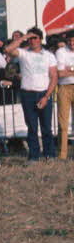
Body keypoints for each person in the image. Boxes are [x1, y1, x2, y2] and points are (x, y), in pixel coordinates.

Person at [5, 28, 58, 161]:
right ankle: (34, 155)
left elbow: (54, 77)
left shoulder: (49, 55)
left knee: (46, 127)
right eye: (31, 38)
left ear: (40, 39)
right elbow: (8, 50)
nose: (33, 41)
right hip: (27, 94)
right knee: (32, 127)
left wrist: (46, 96)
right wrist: (23, 38)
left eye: (35, 38)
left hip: (43, 93)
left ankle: (49, 154)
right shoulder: (24, 53)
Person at [54, 29, 74, 160]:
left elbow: (64, 71)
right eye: (70, 41)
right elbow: (60, 73)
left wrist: (70, 69)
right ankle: (62, 155)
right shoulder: (60, 52)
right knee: (63, 123)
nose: (72, 43)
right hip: (64, 88)